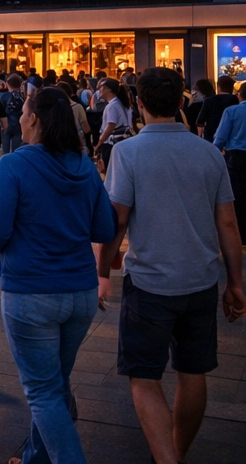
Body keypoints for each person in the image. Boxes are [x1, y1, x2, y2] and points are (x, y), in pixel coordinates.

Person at [99, 67, 245, 464]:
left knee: (144, 376)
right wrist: (236, 282)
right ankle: (177, 450)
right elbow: (228, 223)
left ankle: (167, 459)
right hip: (200, 279)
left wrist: (103, 269)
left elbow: (118, 219)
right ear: (183, 102)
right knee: (192, 371)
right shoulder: (209, 153)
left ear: (139, 104)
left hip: (148, 281)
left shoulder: (128, 153)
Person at [0, 87, 116, 464]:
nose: (20, 120)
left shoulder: (14, 164)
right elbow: (104, 228)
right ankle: (35, 458)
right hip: (80, 292)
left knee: (43, 393)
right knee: (55, 383)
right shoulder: (84, 166)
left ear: (35, 119)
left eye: (24, 113)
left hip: (30, 292)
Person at [213, 85, 246, 239]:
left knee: (237, 196)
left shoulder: (232, 111)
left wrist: (213, 155)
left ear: (240, 95)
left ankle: (242, 234)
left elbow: (220, 138)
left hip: (237, 158)